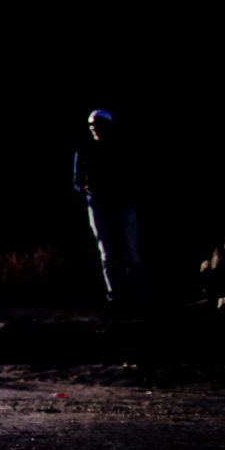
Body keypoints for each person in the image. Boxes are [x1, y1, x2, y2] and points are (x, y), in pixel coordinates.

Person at [73, 109, 142, 306]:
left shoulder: (121, 149)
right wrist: (85, 189)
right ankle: (115, 296)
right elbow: (77, 180)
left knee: (130, 251)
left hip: (123, 205)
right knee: (107, 253)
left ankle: (137, 295)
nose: (93, 128)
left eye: (97, 124)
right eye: (91, 124)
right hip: (98, 206)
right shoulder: (85, 150)